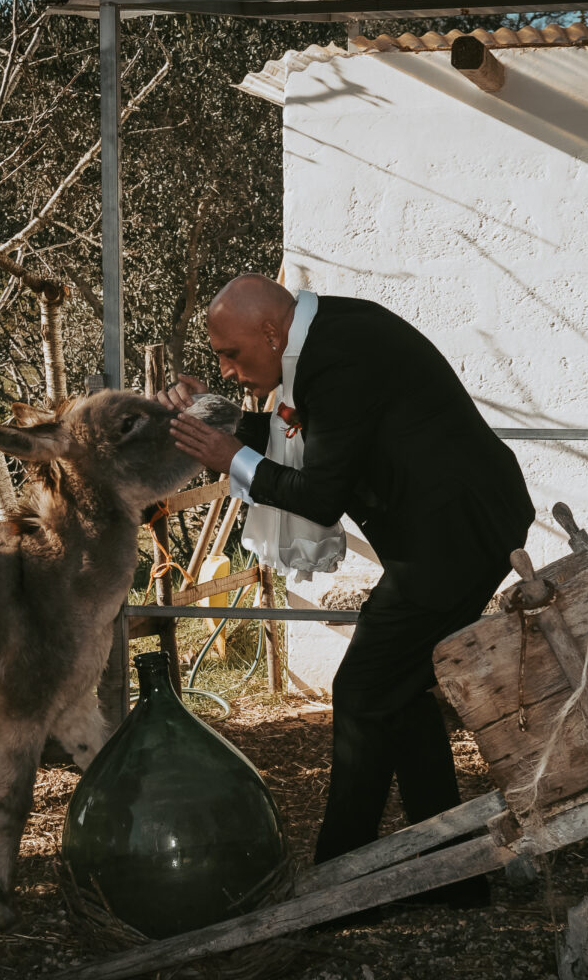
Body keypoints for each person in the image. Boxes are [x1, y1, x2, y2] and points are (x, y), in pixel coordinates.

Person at [158, 273, 534, 904]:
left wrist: (229, 457)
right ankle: (453, 873)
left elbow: (320, 492)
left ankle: (340, 880)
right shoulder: (322, 339)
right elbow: (296, 436)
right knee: (401, 688)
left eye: (231, 354)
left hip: (456, 536)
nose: (225, 369)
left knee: (361, 689)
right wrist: (216, 422)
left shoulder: (337, 358)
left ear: (273, 332)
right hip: (456, 526)